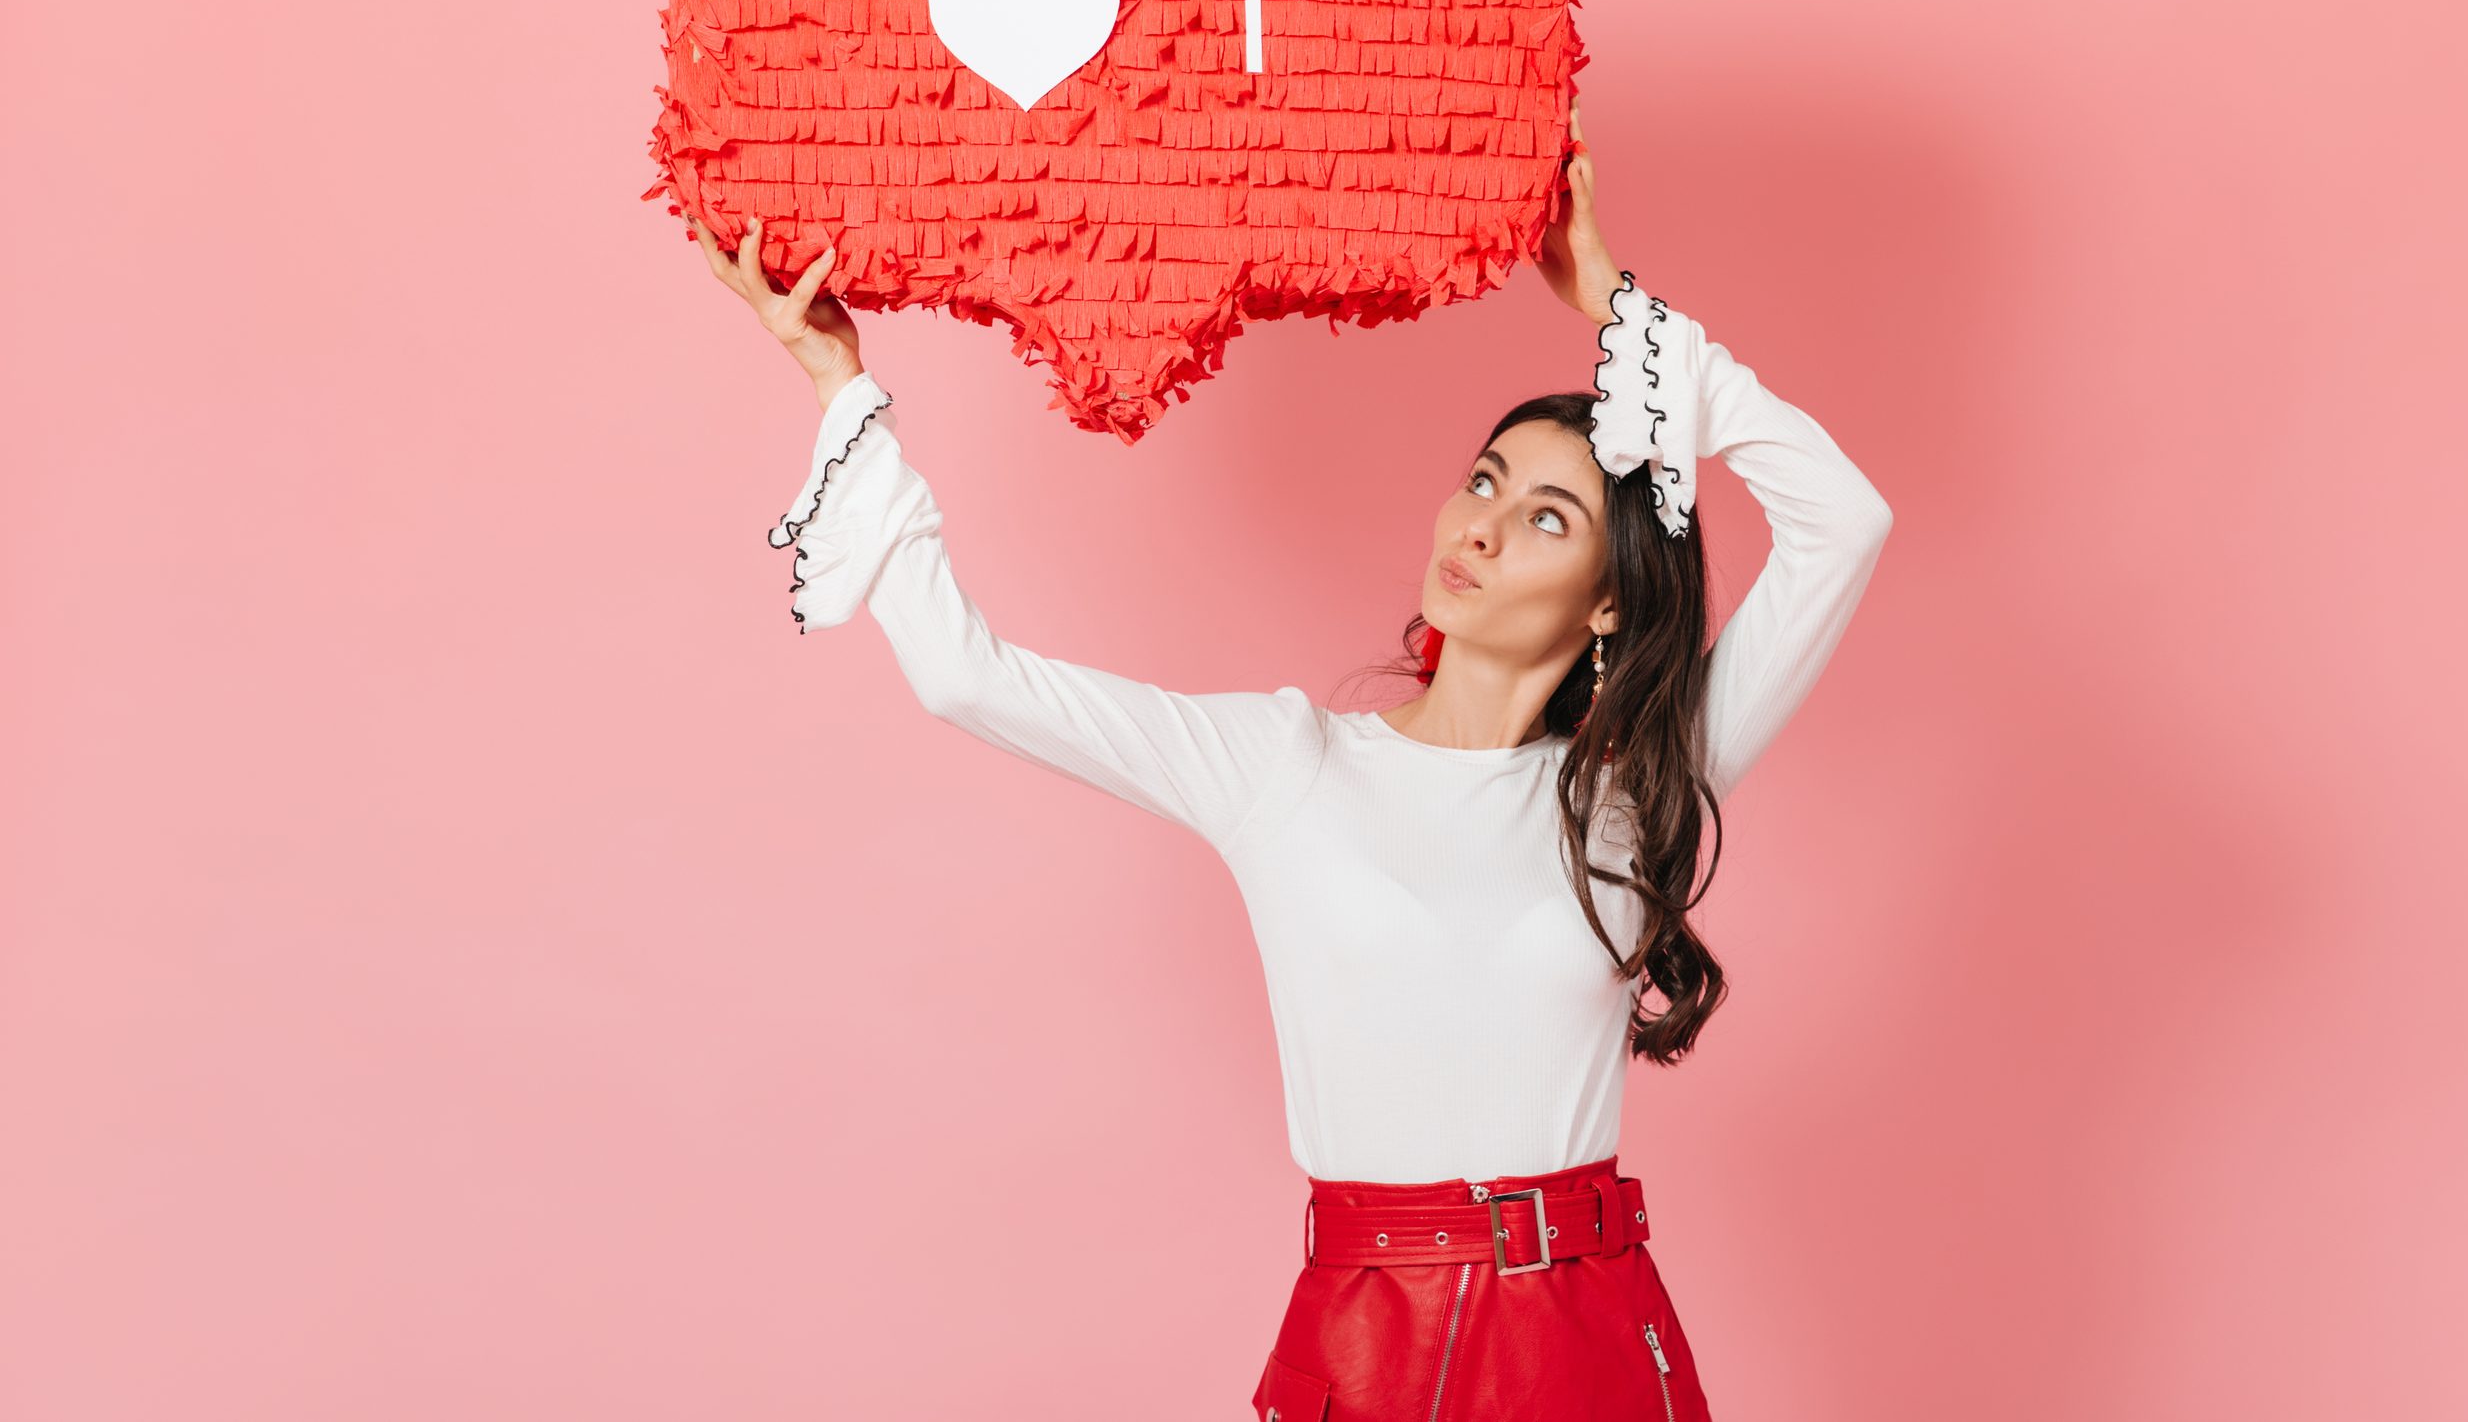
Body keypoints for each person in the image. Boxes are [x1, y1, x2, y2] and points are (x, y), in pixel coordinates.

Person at [689, 105, 1892, 1422]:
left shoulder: (1639, 786)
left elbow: (1843, 521)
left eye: (1545, 516)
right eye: (1484, 482)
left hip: (1586, 1328)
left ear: (1609, 602)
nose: (1481, 527)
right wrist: (839, 386)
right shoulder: (1281, 762)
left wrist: (1613, 307)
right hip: (1367, 1327)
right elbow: (966, 676)